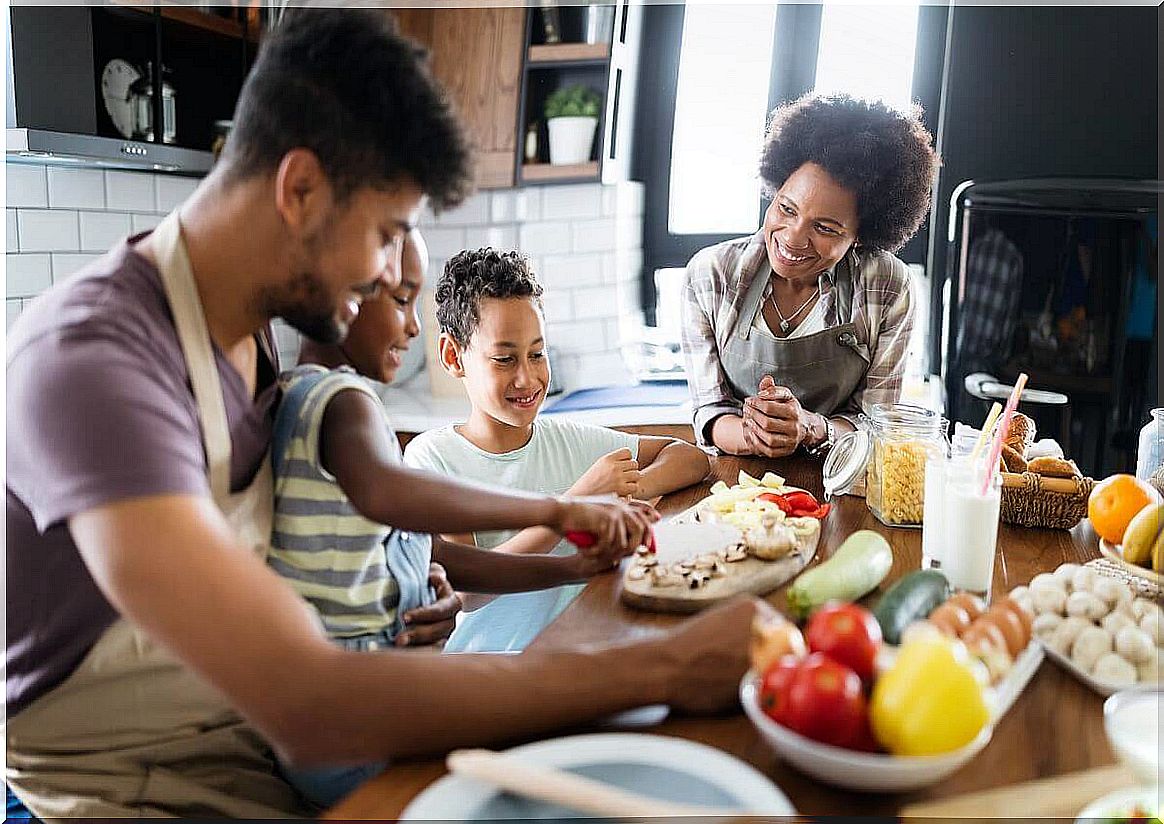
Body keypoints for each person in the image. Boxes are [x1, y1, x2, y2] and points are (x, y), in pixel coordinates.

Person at [5, 11, 760, 819]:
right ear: (299, 189)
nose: (388, 270)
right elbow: (308, 700)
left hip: (262, 740)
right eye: (388, 231)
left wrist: (415, 576)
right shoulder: (91, 363)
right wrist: (669, 667)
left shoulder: (250, 338)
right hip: (146, 778)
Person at [269, 232, 660, 807]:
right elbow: (396, 491)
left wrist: (574, 568)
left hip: (355, 709)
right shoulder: (341, 401)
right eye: (401, 301)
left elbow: (453, 561)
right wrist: (557, 508)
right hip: (357, 717)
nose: (411, 328)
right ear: (343, 296)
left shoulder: (320, 397)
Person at [404, 248, 711, 652]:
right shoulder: (432, 459)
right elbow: (468, 593)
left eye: (537, 354)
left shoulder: (567, 439)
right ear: (452, 356)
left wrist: (623, 493)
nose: (527, 377)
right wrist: (577, 504)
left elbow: (690, 457)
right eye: (504, 359)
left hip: (583, 649)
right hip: (492, 669)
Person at [680, 94, 940, 458]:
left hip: (841, 482)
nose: (792, 237)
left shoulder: (887, 285)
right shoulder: (711, 274)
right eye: (786, 208)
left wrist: (810, 429)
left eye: (825, 227)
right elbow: (709, 410)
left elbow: (877, 422)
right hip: (736, 491)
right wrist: (754, 435)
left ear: (860, 236)